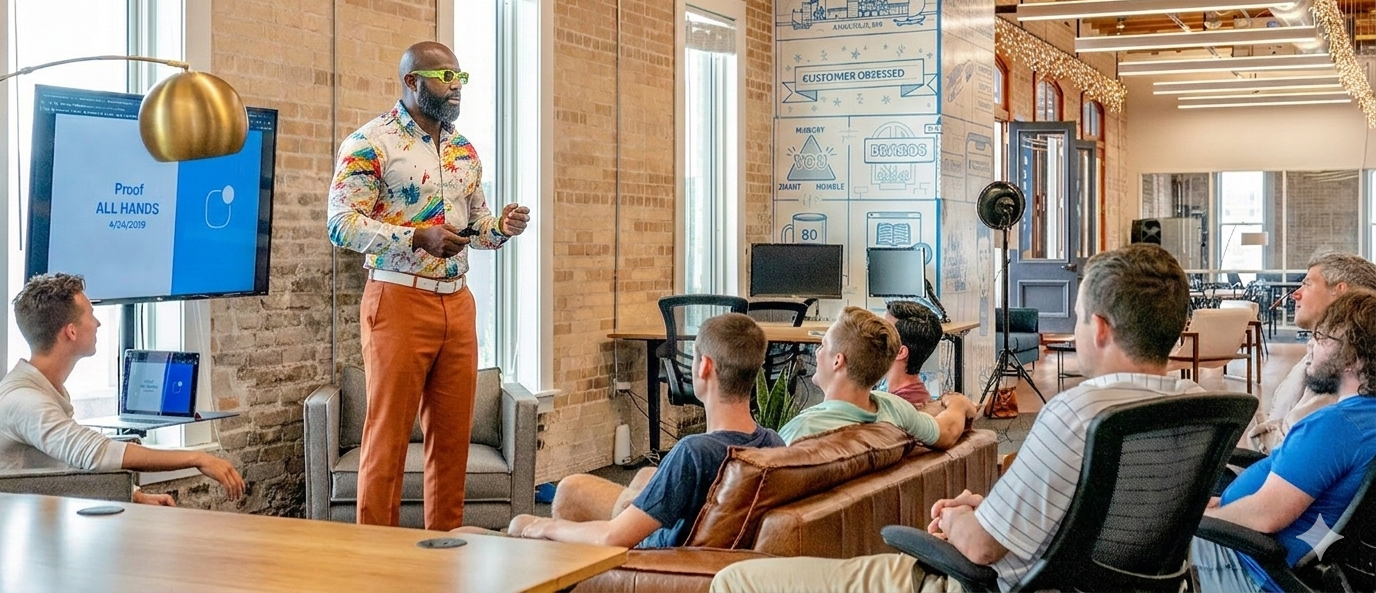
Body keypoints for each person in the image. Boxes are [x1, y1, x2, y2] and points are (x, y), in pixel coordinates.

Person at [711, 243, 1203, 593]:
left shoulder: (1078, 413)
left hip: (973, 584)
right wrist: (989, 506)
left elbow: (983, 549)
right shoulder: (1194, 405)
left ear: (1098, 328)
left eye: (1075, 318)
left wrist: (958, 515)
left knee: (737, 579)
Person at [327, 41, 529, 530]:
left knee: (452, 439)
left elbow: (474, 226)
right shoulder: (370, 142)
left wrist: (499, 227)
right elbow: (339, 223)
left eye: (460, 78)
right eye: (444, 77)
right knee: (388, 438)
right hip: (397, 298)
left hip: (457, 305)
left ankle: (446, 555)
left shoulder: (463, 150)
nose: (455, 88)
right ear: (412, 81)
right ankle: (378, 562)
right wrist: (416, 236)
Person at [507, 314, 783, 547]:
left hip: (648, 558)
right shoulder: (773, 443)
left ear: (705, 367)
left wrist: (541, 526)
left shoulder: (694, 453)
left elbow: (612, 537)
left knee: (518, 523)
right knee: (579, 486)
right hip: (693, 544)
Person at [0, 273, 245, 506]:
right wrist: (198, 458)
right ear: (71, 331)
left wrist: (134, 495)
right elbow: (95, 453)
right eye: (91, 314)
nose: (97, 323)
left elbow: (64, 461)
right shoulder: (24, 401)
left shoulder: (44, 389)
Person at [1193, 290, 1376, 592]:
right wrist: (1220, 505)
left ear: (1352, 358)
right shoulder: (1364, 421)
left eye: (1321, 338)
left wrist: (1198, 516)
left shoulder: (1335, 426)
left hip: (1248, 566)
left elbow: (1264, 517)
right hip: (1296, 558)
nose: (1310, 346)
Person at [779, 306, 977, 447]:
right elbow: (947, 432)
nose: (817, 352)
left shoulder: (801, 431)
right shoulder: (895, 408)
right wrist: (958, 402)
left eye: (823, 345)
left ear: (837, 361)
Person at [1244, 253, 1376, 453]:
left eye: (1307, 284)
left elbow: (1292, 446)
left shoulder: (1337, 369)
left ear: (1339, 292)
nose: (1296, 294)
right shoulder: (1340, 356)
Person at [881, 300, 944, 406]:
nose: (872, 337)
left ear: (900, 352)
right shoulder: (911, 394)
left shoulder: (898, 409)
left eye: (881, 332)